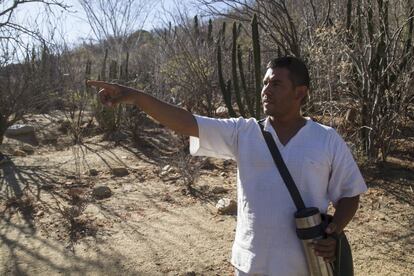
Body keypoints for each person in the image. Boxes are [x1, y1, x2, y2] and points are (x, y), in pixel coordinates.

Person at [88, 56, 367, 275]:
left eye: (276, 84)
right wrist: (136, 97)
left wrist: (333, 232)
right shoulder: (243, 133)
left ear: (300, 92)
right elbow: (187, 122)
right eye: (265, 83)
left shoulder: (325, 139)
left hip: (305, 266)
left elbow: (349, 193)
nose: (265, 90)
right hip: (250, 264)